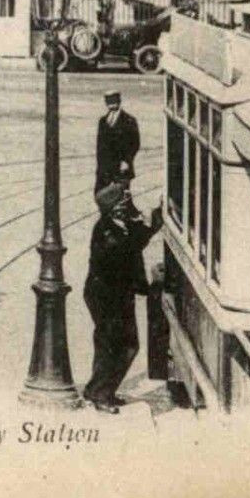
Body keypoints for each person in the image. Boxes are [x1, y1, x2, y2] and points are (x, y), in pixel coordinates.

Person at [83, 180, 161, 413]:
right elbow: (129, 246)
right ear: (115, 208)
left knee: (111, 344)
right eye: (125, 201)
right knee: (122, 345)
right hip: (107, 297)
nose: (129, 203)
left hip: (116, 295)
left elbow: (139, 235)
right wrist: (147, 224)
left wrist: (156, 216)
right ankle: (101, 395)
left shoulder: (120, 225)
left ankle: (97, 390)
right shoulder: (107, 232)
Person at [96, 90, 141, 189]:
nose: (111, 105)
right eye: (108, 102)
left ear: (119, 102)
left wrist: (127, 161)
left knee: (121, 198)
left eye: (113, 102)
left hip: (121, 167)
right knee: (104, 198)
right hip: (105, 169)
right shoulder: (102, 121)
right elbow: (99, 146)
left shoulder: (129, 120)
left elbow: (135, 144)